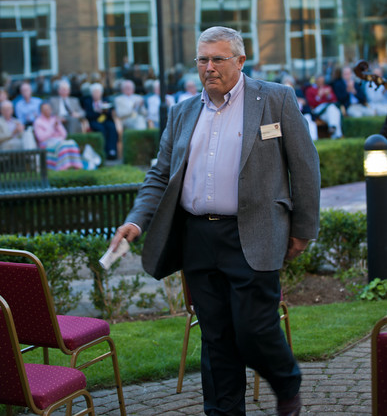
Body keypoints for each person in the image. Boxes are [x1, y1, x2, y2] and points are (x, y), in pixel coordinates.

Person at [110, 26, 320, 416]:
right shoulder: (183, 111)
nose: (209, 67)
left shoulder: (276, 100)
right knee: (217, 337)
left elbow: (305, 169)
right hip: (198, 238)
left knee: (253, 329)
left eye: (218, 59)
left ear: (240, 61)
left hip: (254, 233)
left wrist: (303, 230)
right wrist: (136, 221)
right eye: (203, 59)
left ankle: (286, 380)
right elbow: (160, 174)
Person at [33, 102, 83, 170]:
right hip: (46, 143)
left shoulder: (54, 119)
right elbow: (41, 138)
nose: (47, 111)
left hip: (58, 141)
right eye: (45, 109)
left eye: (48, 109)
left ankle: (77, 166)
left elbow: (64, 134)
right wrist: (52, 127)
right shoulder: (38, 122)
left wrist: (58, 126)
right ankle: (63, 167)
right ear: (41, 111)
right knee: (63, 146)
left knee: (72, 142)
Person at [82, 82, 118, 159]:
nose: (97, 94)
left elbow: (110, 114)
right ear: (92, 93)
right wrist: (97, 111)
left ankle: (112, 151)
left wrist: (106, 111)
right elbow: (88, 115)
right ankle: (103, 151)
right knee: (101, 129)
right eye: (95, 92)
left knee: (111, 127)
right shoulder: (88, 102)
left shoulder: (105, 100)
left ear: (101, 93)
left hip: (105, 120)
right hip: (94, 121)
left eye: (98, 92)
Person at [305, 74, 343, 139]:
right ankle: (338, 134)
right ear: (316, 81)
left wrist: (328, 95)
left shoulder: (327, 88)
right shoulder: (310, 90)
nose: (321, 83)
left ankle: (333, 129)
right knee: (334, 110)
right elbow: (310, 103)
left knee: (335, 110)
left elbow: (334, 100)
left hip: (328, 112)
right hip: (317, 111)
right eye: (319, 81)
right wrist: (319, 96)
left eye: (322, 81)